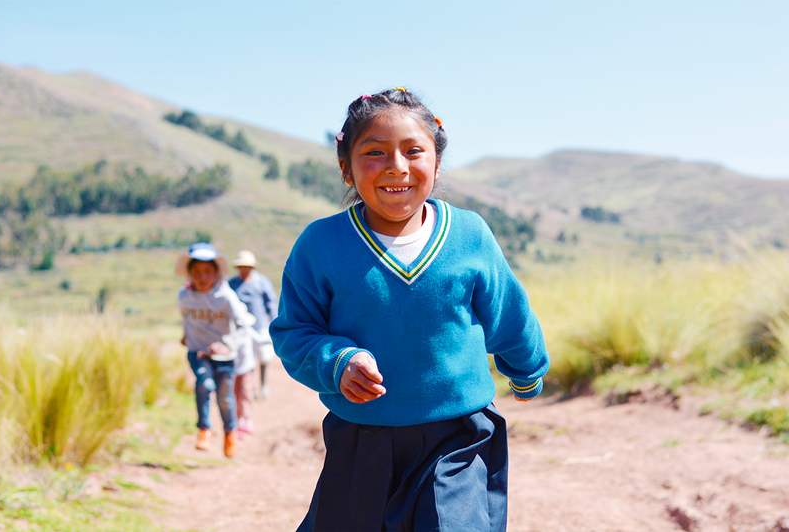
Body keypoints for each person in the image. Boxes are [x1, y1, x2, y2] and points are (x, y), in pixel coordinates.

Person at [269, 88, 550, 531]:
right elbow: (294, 332)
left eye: (413, 151)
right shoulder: (321, 245)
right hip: (363, 438)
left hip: (456, 435)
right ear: (346, 168)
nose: (396, 166)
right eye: (375, 153)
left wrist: (527, 366)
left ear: (436, 165)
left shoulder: (469, 236)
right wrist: (338, 363)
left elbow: (508, 310)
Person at [176, 242, 255, 458]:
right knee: (204, 383)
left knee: (225, 398)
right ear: (189, 273)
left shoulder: (226, 297)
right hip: (198, 352)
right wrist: (186, 335)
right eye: (197, 272)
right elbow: (187, 319)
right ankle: (204, 430)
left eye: (208, 272)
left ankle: (230, 432)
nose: (202, 277)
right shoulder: (184, 296)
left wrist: (227, 344)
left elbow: (243, 326)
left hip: (225, 356)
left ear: (216, 273)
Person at [228, 250, 279, 404]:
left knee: (263, 356)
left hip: (260, 326)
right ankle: (252, 387)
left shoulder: (262, 282)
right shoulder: (231, 285)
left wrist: (274, 323)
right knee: (246, 358)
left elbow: (271, 303)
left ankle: (263, 384)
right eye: (242, 266)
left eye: (247, 266)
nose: (245, 269)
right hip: (241, 329)